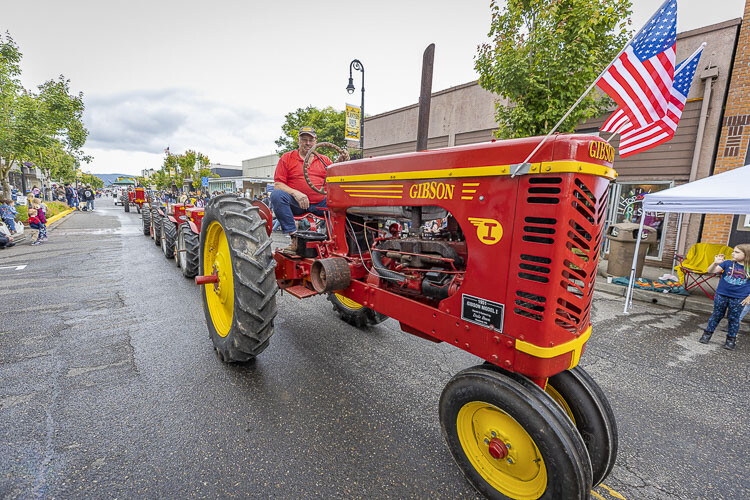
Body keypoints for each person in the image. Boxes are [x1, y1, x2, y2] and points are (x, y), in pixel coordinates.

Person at [270, 126, 331, 242]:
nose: (307, 143)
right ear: (298, 141)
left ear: (315, 141)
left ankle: (336, 241)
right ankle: (294, 239)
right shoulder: (287, 158)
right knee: (276, 195)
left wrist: (340, 163)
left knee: (343, 205)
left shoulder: (325, 160)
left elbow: (335, 180)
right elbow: (278, 184)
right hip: (296, 205)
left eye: (311, 140)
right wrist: (296, 193)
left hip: (320, 203)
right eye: (304, 139)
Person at [699, 244, 750, 350]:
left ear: (746, 255)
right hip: (721, 295)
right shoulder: (727, 263)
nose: (733, 253)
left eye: (737, 252)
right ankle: (707, 335)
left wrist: (749, 297)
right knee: (716, 315)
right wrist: (715, 263)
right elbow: (711, 271)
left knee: (734, 319)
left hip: (739, 298)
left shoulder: (748, 268)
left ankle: (731, 340)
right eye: (733, 251)